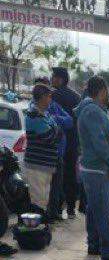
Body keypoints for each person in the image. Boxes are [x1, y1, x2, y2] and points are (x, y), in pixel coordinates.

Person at [76, 76, 109, 260]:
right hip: (98, 169)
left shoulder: (93, 110)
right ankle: (108, 249)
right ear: (102, 90)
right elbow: (100, 143)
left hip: (94, 168)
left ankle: (94, 244)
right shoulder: (92, 112)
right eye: (107, 90)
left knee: (94, 209)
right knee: (104, 211)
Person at [34, 77, 74, 222]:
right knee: (44, 189)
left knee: (57, 185)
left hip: (58, 153)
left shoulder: (54, 107)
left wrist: (55, 119)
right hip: (43, 156)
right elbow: (50, 133)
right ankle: (46, 215)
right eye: (47, 93)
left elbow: (69, 121)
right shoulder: (34, 110)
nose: (50, 96)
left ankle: (54, 212)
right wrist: (57, 125)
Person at [23, 84, 61, 216]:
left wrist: (55, 130)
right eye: (49, 96)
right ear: (43, 97)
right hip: (37, 165)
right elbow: (50, 136)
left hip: (45, 165)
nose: (51, 99)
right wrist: (56, 130)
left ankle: (38, 230)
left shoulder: (44, 114)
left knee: (43, 200)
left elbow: (56, 132)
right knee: (38, 202)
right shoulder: (34, 115)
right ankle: (35, 232)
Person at [51, 67, 81, 219]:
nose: (51, 79)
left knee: (57, 176)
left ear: (60, 79)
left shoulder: (53, 96)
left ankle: (56, 208)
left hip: (58, 141)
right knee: (71, 174)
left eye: (53, 77)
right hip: (74, 141)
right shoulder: (76, 96)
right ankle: (70, 208)